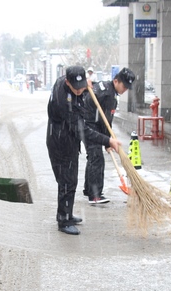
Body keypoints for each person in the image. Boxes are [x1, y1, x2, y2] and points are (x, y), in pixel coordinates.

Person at [46, 66, 119, 235]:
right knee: (66, 182)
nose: (79, 91)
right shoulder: (64, 102)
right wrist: (107, 140)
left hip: (69, 141)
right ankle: (63, 220)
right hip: (60, 142)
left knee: (71, 179)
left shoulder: (68, 84)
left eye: (82, 87)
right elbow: (83, 130)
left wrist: (85, 89)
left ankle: (68, 213)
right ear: (67, 82)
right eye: (76, 88)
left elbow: (81, 91)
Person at [81, 67, 135, 204]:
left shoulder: (103, 87)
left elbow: (104, 120)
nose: (125, 90)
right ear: (116, 81)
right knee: (96, 158)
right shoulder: (109, 96)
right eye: (124, 86)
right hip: (89, 125)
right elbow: (105, 121)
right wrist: (108, 141)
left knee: (93, 156)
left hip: (85, 123)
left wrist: (107, 141)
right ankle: (95, 195)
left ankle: (89, 190)